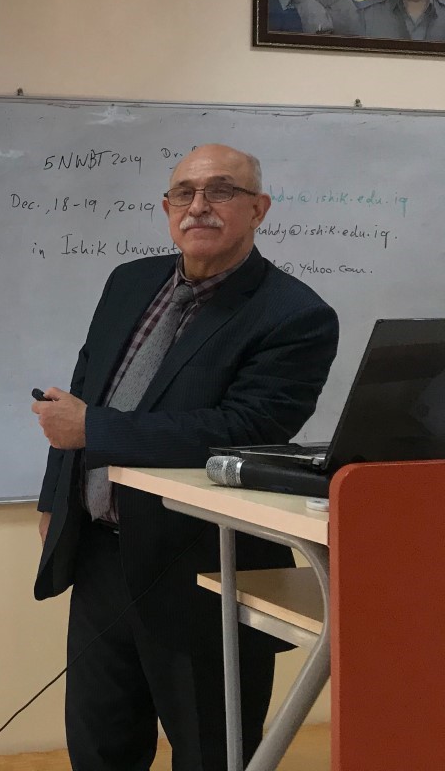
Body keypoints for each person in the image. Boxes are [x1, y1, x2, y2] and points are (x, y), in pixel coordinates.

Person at [30, 144, 339, 771]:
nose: (198, 206)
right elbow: (81, 395)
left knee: (209, 752)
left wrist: (92, 428)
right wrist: (54, 499)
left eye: (221, 190)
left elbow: (243, 428)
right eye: (183, 193)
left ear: (259, 209)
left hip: (204, 567)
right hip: (101, 555)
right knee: (100, 747)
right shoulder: (130, 282)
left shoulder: (296, 315)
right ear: (167, 207)